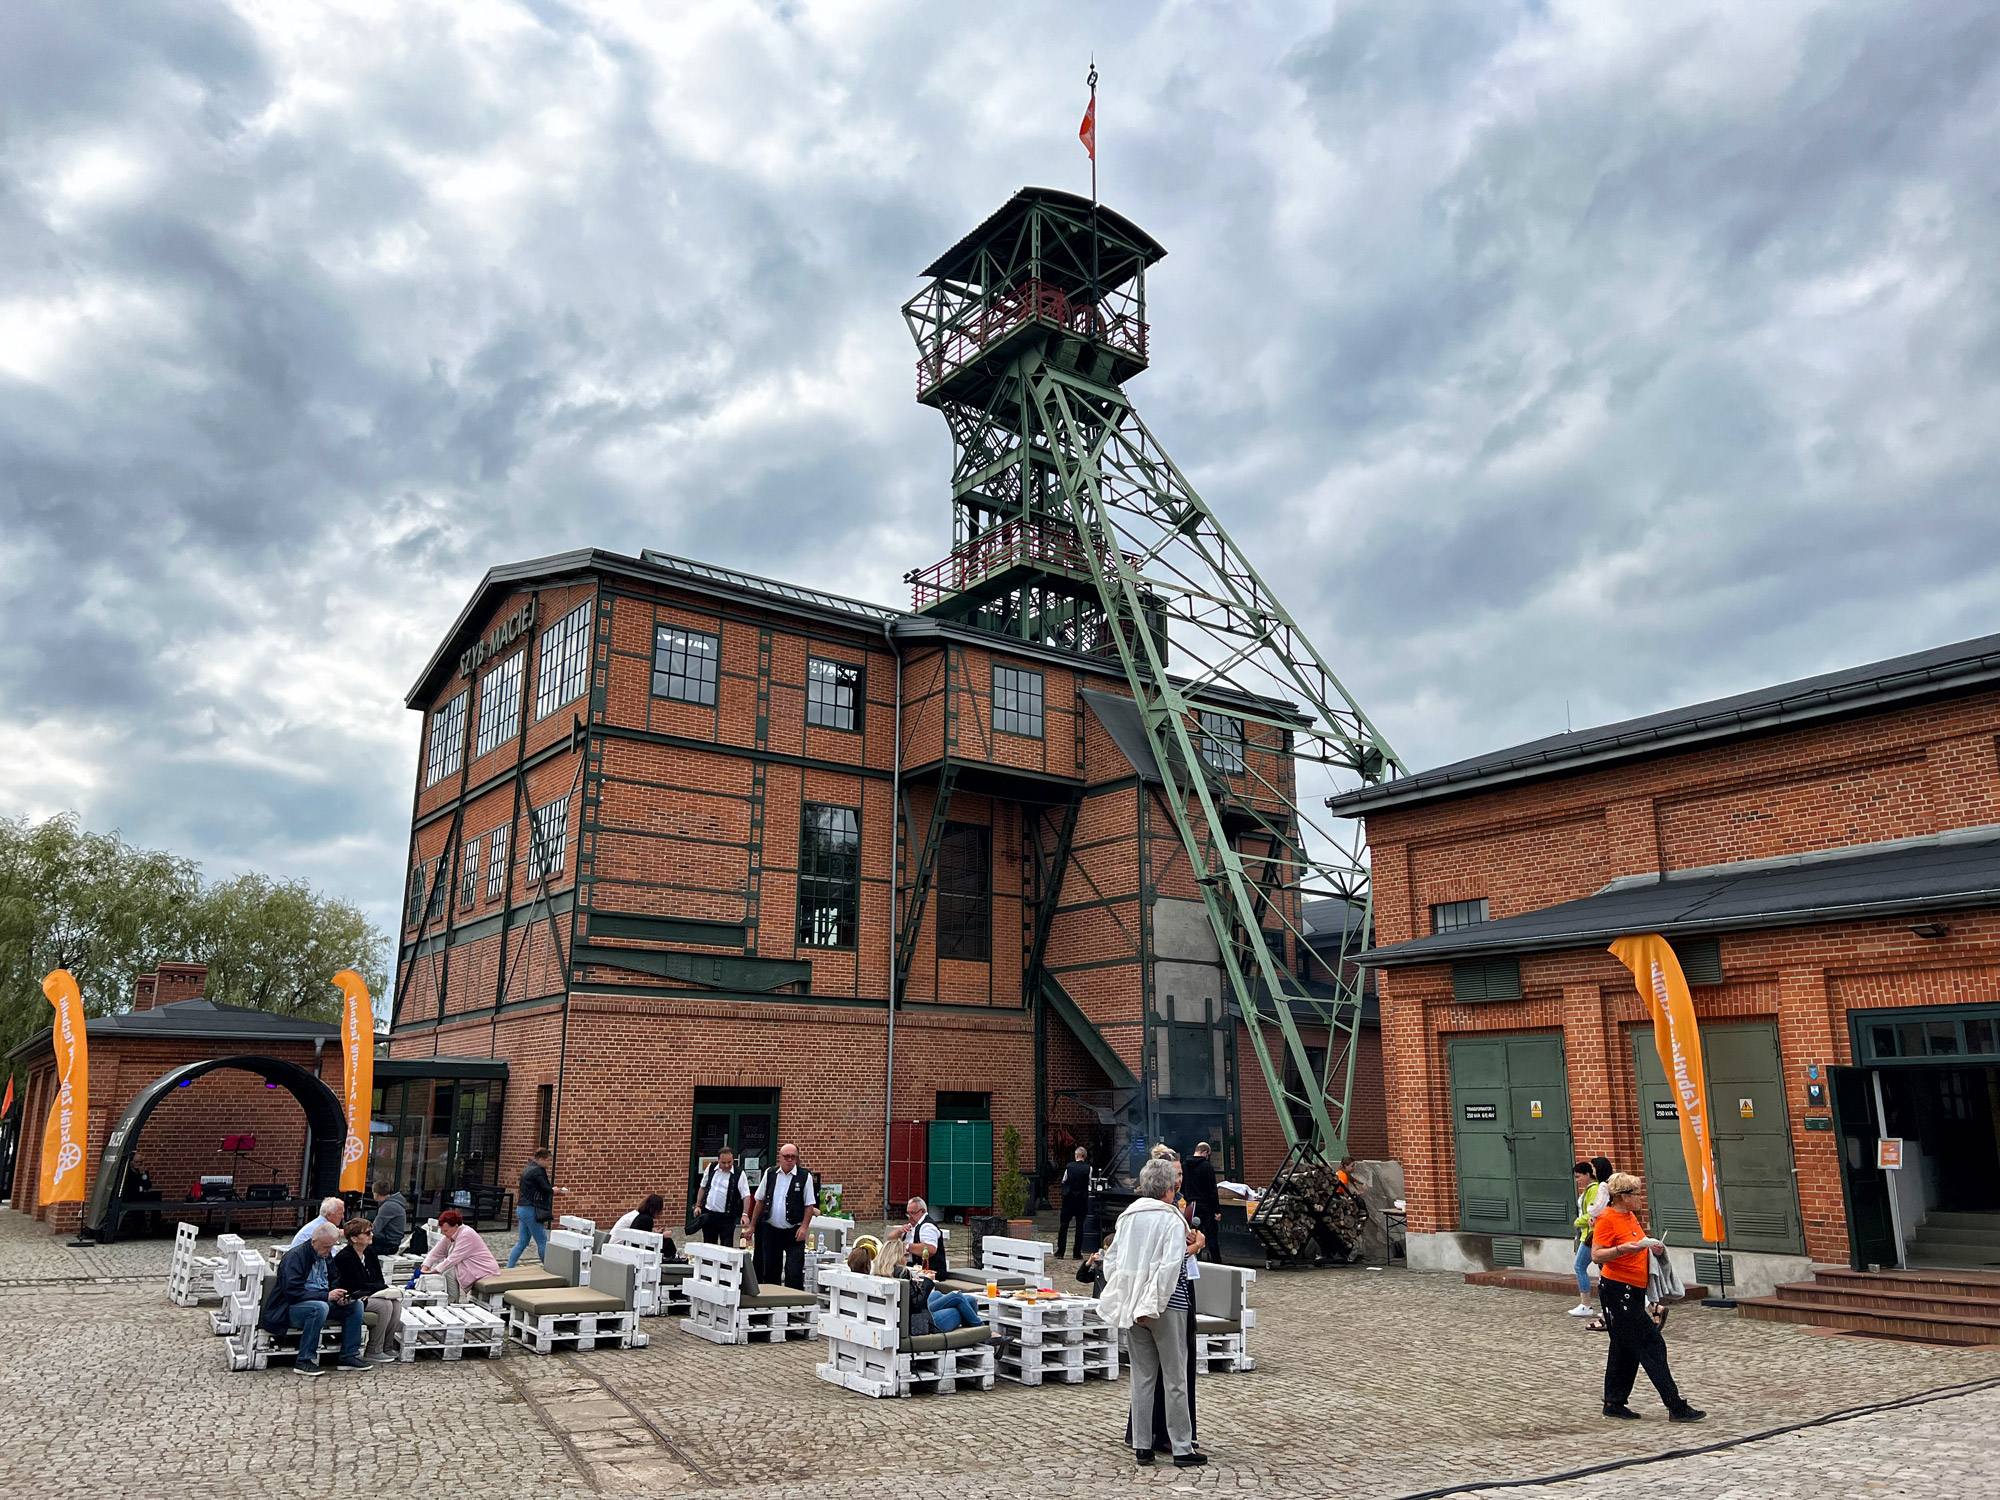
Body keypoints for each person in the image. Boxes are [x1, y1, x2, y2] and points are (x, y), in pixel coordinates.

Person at [1099, 1156, 1206, 1469]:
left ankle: (1143, 1446)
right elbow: (1170, 1266)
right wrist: (1194, 1248)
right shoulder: (1173, 1219)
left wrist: (1128, 1297)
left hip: (1133, 1306)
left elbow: (1112, 1261)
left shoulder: (1127, 1218)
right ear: (1170, 1189)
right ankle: (1182, 1448)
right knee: (1175, 1378)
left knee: (1142, 1377)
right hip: (1166, 1305)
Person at [1592, 1173, 1704, 1423]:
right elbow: (1597, 1256)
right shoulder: (1607, 1219)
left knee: (1624, 1347)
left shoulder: (1629, 1216)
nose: (1640, 1198)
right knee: (1652, 1344)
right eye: (1636, 1194)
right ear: (1622, 1197)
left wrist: (1651, 1249)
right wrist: (1623, 1249)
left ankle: (1613, 1402)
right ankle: (1676, 1406)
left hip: (1634, 1290)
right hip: (1617, 1291)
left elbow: (1636, 1245)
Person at [262, 1222, 366, 1376]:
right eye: (326, 1247)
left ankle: (348, 1355)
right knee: (319, 1307)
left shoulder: (325, 1254)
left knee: (355, 1305)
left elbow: (334, 1278)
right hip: (289, 1308)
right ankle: (304, 1360)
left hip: (320, 1302)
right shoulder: (295, 1257)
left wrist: (338, 1295)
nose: (329, 1251)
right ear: (314, 1242)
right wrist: (326, 1296)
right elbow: (292, 1292)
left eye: (331, 1247)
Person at [875, 1238, 984, 1334]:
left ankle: (976, 1330)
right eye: (906, 1255)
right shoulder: (902, 1273)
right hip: (919, 1322)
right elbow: (918, 1304)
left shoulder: (880, 1273)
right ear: (896, 1257)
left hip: (905, 1317)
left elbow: (911, 1301)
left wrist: (916, 1284)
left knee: (964, 1298)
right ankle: (983, 1333)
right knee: (959, 1300)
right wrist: (927, 1282)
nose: (907, 1259)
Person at [333, 1217, 405, 1365]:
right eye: (367, 1233)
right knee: (384, 1306)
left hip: (369, 1294)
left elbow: (379, 1280)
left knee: (395, 1303)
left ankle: (387, 1346)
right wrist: (375, 1288)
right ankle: (373, 1349)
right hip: (353, 1296)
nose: (371, 1235)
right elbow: (355, 1285)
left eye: (371, 1232)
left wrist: (375, 1288)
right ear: (354, 1238)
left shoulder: (370, 1252)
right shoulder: (345, 1257)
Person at [748, 1143, 816, 1289]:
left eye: (793, 1157)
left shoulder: (804, 1176)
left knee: (794, 1271)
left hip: (794, 1230)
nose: (789, 1160)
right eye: (786, 1156)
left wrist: (804, 1227)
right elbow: (759, 1200)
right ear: (780, 1157)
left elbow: (809, 1205)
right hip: (772, 1230)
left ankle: (793, 1307)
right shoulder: (770, 1173)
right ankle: (771, 1304)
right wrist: (752, 1225)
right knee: (771, 1270)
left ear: (797, 1158)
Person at [423, 1208, 501, 1302]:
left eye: (446, 1230)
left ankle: (452, 1302)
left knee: (448, 1272)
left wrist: (435, 1271)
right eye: (442, 1231)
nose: (444, 1234)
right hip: (470, 1266)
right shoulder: (451, 1235)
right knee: (447, 1270)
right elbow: (435, 1252)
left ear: (456, 1226)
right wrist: (425, 1268)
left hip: (483, 1269)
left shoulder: (466, 1234)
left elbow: (453, 1258)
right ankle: (450, 1300)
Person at [509, 1148, 567, 1268]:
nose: (548, 1164)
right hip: (531, 1209)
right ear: (540, 1159)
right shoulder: (538, 1170)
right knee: (542, 1240)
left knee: (523, 1241)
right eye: (547, 1161)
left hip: (521, 1208)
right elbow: (545, 1188)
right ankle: (548, 1267)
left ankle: (509, 1266)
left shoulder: (527, 1168)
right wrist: (554, 1190)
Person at [1568, 1160, 1612, 1318]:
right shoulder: (1592, 1189)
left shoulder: (1595, 1189)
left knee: (1580, 1266)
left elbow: (1594, 1211)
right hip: (1589, 1234)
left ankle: (1586, 1304)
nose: (1577, 1180)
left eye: (1579, 1176)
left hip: (1592, 1235)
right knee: (1604, 1270)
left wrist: (1578, 1222)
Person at [694, 1147, 752, 1247]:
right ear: (718, 1160)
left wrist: (745, 1214)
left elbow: (746, 1195)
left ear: (733, 1160)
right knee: (708, 1246)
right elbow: (703, 1187)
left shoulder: (739, 1173)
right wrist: (698, 1205)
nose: (726, 1165)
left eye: (729, 1162)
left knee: (726, 1247)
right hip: (709, 1214)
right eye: (723, 1162)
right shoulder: (711, 1168)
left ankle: (724, 1264)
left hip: (727, 1218)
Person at [1182, 1142, 1223, 1263]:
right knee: (1212, 1238)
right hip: (1207, 1207)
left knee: (1193, 1237)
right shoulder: (1206, 1166)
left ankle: (1196, 1263)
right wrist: (1217, 1210)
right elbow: (1212, 1190)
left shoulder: (1184, 1165)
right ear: (1205, 1152)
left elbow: (1183, 1186)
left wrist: (1188, 1198)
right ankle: (1217, 1264)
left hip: (1191, 1206)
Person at [887, 1196, 947, 1275]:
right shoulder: (911, 1225)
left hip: (929, 1272)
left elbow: (931, 1249)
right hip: (910, 1269)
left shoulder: (927, 1226)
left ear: (923, 1211)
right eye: (908, 1213)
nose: (910, 1217)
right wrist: (899, 1231)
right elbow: (890, 1238)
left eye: (913, 1213)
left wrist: (906, 1246)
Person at [1056, 1147, 1092, 1259]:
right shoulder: (1088, 1168)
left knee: (1064, 1225)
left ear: (1076, 1155)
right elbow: (1089, 1183)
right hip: (1081, 1199)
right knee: (1080, 1226)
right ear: (1084, 1157)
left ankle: (1060, 1252)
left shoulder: (1069, 1167)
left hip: (1068, 1199)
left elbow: (1064, 1180)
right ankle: (1076, 1253)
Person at [371, 1183, 411, 1256]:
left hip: (388, 1244)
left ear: (376, 1194)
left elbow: (374, 1230)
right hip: (393, 1241)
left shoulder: (388, 1206)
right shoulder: (394, 1203)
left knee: (360, 1245)